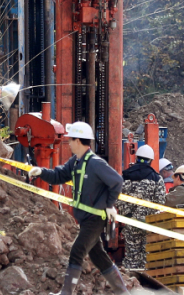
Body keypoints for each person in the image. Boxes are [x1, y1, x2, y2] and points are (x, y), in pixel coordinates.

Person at [27, 122, 129, 295]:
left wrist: (109, 205)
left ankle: (66, 293)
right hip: (85, 218)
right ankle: (123, 293)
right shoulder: (75, 162)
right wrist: (41, 172)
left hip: (95, 218)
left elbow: (117, 182)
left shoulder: (96, 163)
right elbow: (59, 175)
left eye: (70, 140)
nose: (68, 143)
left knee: (77, 251)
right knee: (98, 257)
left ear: (78, 141)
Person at [118, 144, 166, 270]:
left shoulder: (125, 176)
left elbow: (118, 198)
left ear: (137, 158)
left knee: (131, 257)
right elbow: (160, 202)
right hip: (149, 223)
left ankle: (131, 278)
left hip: (131, 222)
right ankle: (146, 280)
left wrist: (127, 215)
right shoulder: (157, 178)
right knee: (147, 257)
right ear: (151, 160)